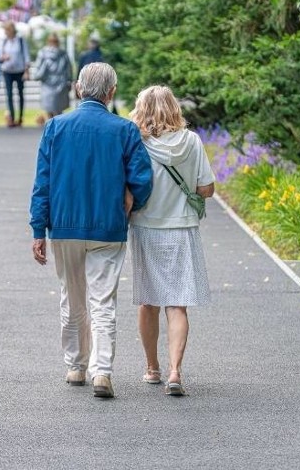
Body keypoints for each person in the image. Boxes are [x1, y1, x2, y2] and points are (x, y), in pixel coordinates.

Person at [30, 62, 153, 399]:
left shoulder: (55, 127)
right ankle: (102, 372)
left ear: (78, 89)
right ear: (111, 92)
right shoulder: (125, 130)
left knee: (72, 298)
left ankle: (75, 366)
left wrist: (38, 229)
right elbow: (143, 179)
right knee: (102, 302)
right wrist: (131, 202)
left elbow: (43, 183)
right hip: (108, 226)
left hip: (65, 226)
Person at [128, 85, 216, 396]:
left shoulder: (137, 142)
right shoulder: (191, 141)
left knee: (148, 301)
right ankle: (175, 371)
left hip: (145, 227)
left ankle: (152, 368)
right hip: (182, 228)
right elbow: (206, 188)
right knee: (177, 303)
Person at [32, 33, 72, 121]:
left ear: (48, 41)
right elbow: (68, 69)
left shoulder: (43, 53)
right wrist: (69, 81)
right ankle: (59, 129)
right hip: (60, 84)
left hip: (47, 84)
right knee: (59, 111)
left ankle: (50, 128)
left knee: (49, 110)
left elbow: (38, 67)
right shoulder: (63, 53)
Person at [0, 21, 29, 127]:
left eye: (7, 30)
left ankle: (20, 118)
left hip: (19, 71)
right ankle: (11, 117)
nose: (6, 32)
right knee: (9, 94)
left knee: (20, 94)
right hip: (7, 71)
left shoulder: (20, 41)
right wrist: (3, 58)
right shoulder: (4, 41)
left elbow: (26, 56)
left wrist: (26, 70)